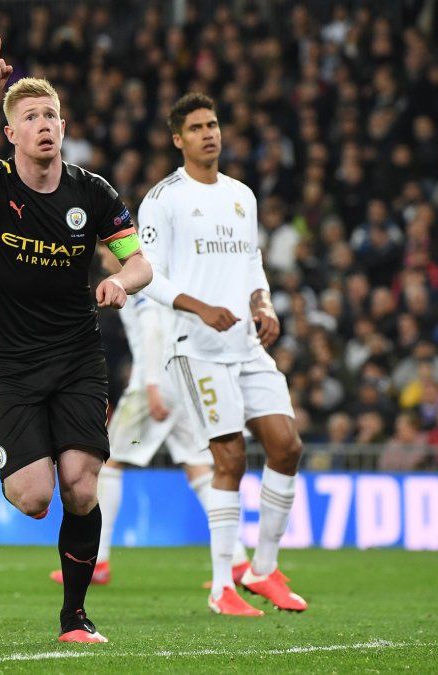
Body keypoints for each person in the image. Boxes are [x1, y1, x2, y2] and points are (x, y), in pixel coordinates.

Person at [0, 37, 153, 643]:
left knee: (81, 486)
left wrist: (120, 282)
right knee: (34, 497)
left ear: (64, 126)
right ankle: (19, 457)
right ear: (10, 133)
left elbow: (141, 263)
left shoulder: (94, 192)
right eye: (29, 117)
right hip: (10, 362)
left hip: (79, 357)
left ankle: (75, 619)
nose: (43, 125)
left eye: (50, 115)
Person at [141, 93, 307, 616]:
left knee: (287, 446)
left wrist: (265, 302)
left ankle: (262, 570)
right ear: (178, 139)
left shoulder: (242, 195)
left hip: (246, 343)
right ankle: (221, 588)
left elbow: (251, 262)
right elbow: (147, 276)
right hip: (196, 347)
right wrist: (199, 308)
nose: (209, 133)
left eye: (213, 124)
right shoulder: (162, 199)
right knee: (230, 458)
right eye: (196, 127)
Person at [49, 265, 250, 588]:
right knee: (198, 469)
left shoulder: (135, 278)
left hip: (152, 382)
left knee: (108, 464)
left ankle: (97, 560)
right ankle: (237, 560)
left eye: (104, 251)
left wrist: (152, 385)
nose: (103, 259)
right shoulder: (162, 273)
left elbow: (153, 327)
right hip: (181, 377)